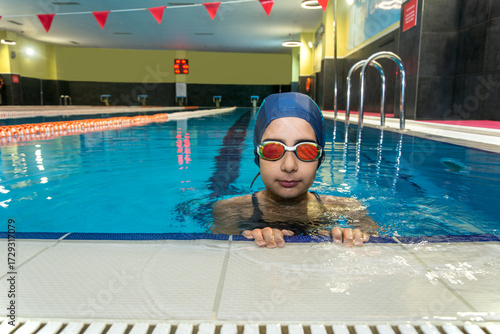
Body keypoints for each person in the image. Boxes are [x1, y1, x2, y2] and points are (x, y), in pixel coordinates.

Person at [211, 92, 378, 248]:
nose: (289, 166)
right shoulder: (231, 209)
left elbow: (381, 248)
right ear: (257, 157)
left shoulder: (348, 207)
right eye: (272, 149)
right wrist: (251, 242)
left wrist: (352, 239)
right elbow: (216, 259)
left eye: (306, 150)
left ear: (319, 159)